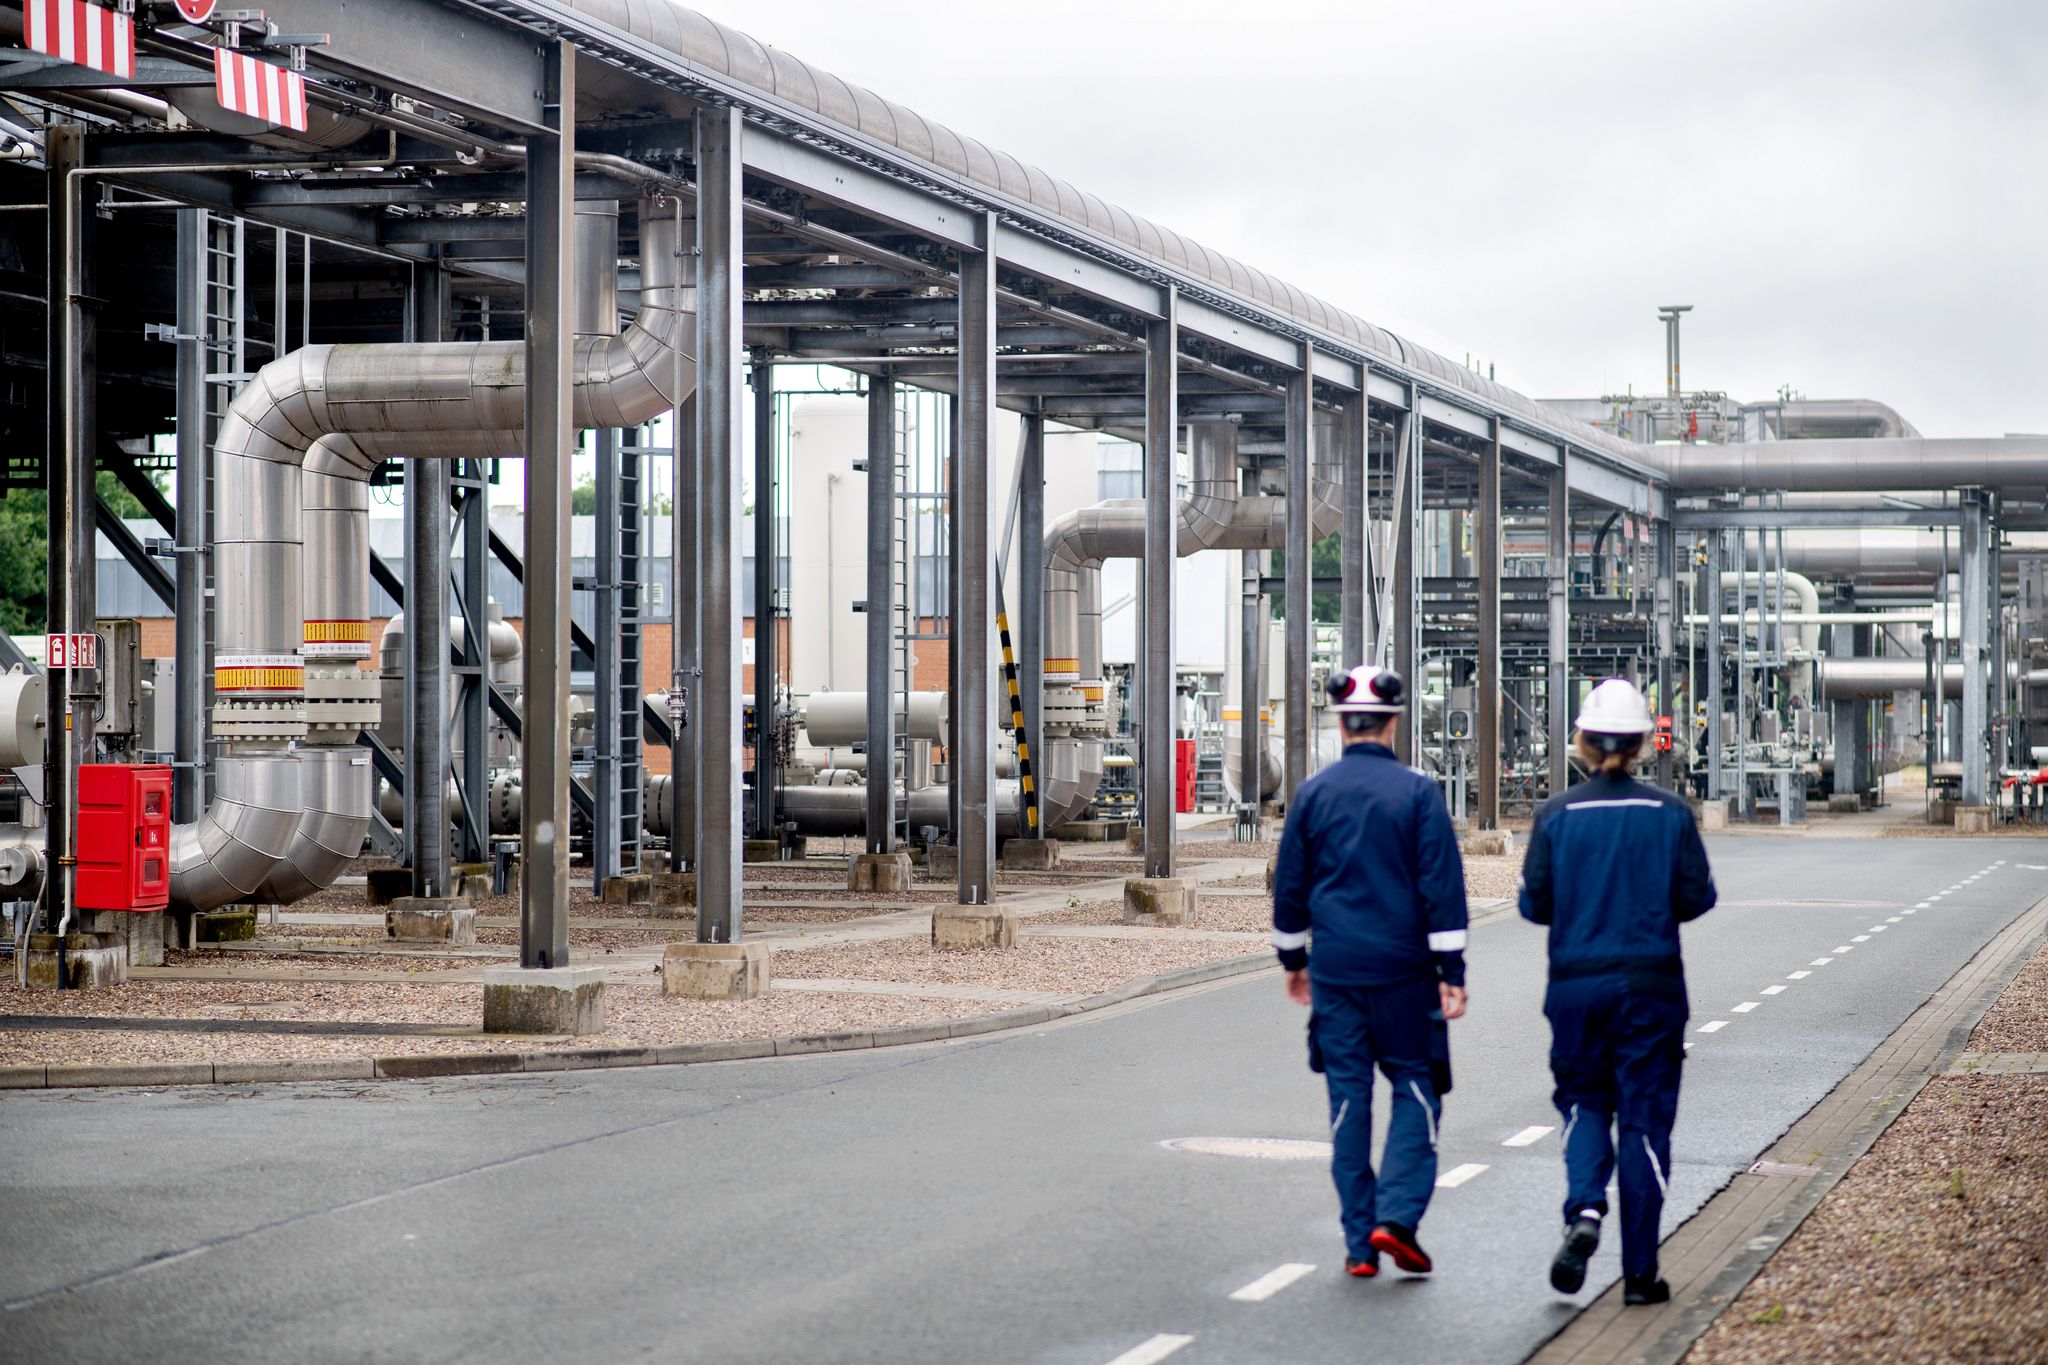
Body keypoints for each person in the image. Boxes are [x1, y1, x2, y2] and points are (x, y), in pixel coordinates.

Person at [1518, 677, 1717, 1305]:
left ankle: (1584, 1212)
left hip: (1575, 986)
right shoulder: (1670, 814)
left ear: (1581, 740)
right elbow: (1697, 898)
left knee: (1582, 1105)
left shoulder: (1555, 815)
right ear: (1639, 745)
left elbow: (1534, 905)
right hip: (1651, 986)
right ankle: (1639, 1275)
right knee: (1643, 1121)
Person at [1271, 665, 1469, 1280]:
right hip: (1407, 975)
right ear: (1392, 722)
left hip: (1336, 974)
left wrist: (1294, 961)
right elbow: (1442, 887)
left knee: (1348, 1104)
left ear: (1340, 721)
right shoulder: (1418, 793)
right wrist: (1451, 970)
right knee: (1416, 1087)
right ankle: (1397, 1217)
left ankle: (1360, 1244)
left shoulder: (1313, 794)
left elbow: (1290, 887)